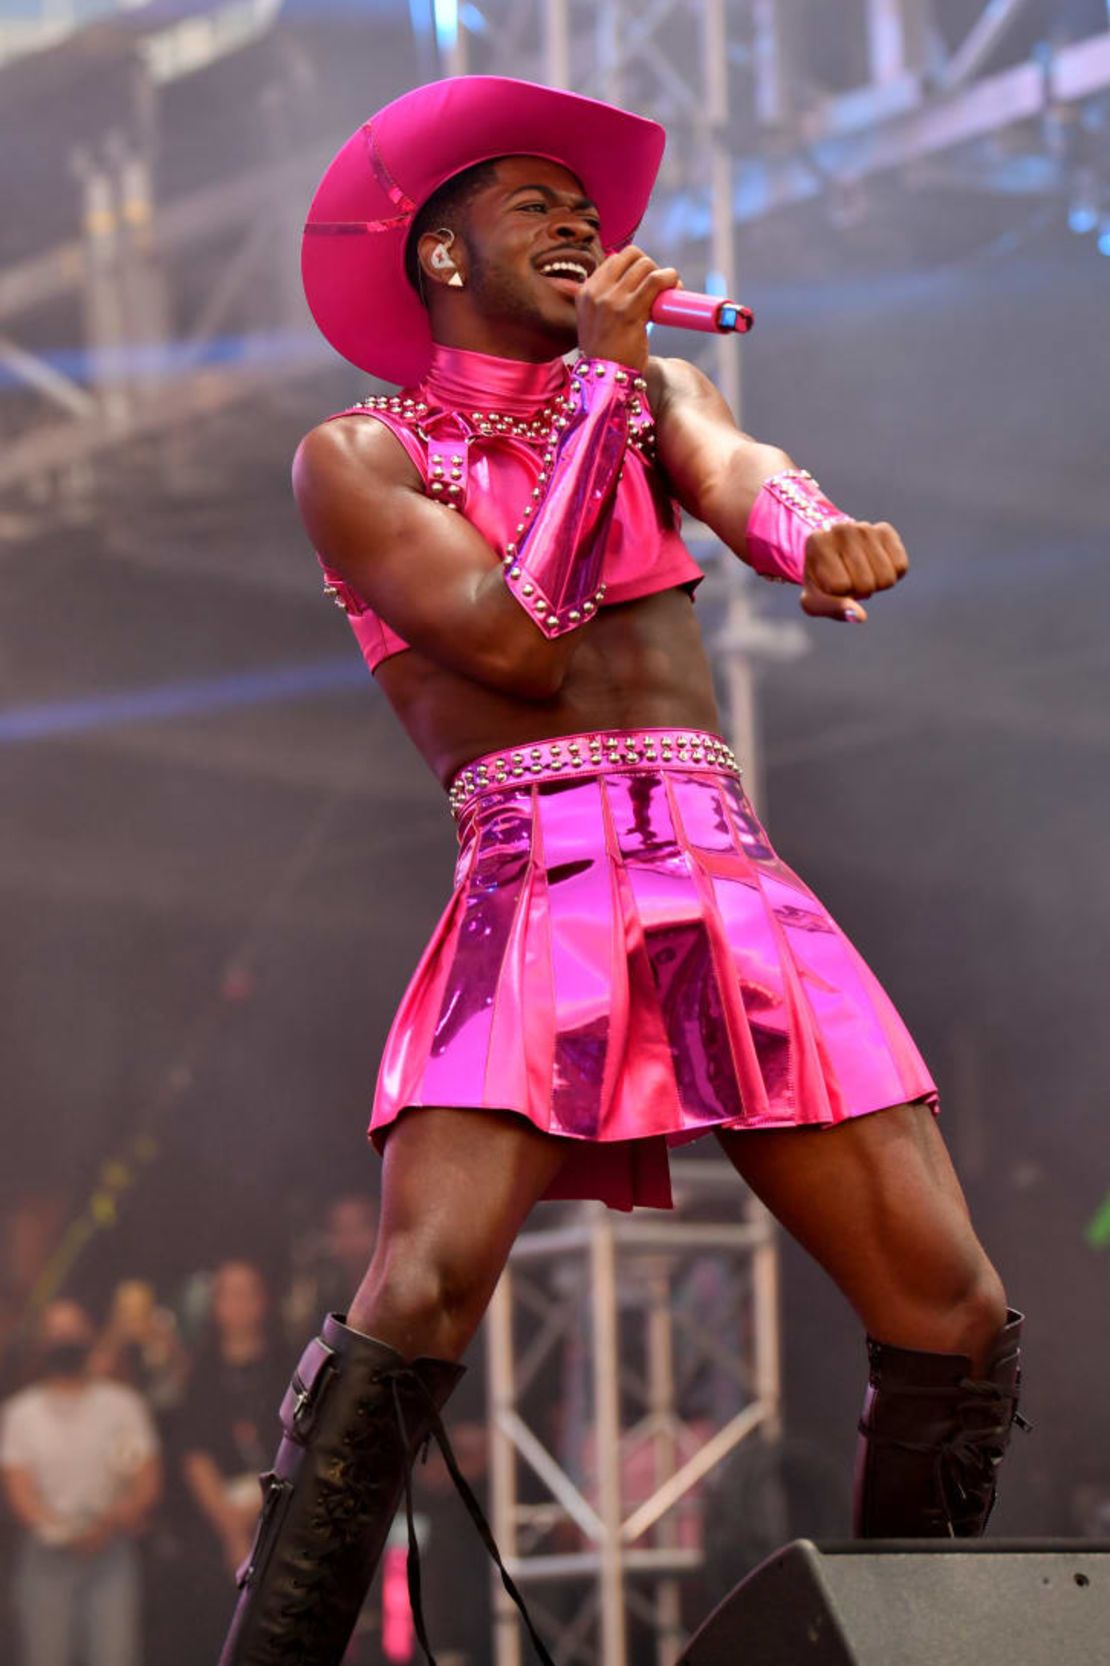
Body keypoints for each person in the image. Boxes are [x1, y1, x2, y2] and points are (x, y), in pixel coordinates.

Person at [218, 76, 1024, 1666]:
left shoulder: (652, 403)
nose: (581, 223)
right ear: (441, 256)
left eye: (587, 208)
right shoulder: (358, 456)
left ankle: (912, 1648)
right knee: (426, 1280)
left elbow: (738, 465)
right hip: (539, 869)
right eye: (536, 204)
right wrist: (602, 388)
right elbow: (517, 643)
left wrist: (812, 534)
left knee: (952, 1303)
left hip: (721, 859)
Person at [0, 1299, 161, 1666]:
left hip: (112, 1551)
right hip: (46, 1558)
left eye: (73, 1331)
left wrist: (111, 1520)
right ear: (41, 1342)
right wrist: (66, 1529)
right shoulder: (20, 1414)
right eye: (56, 1332)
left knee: (116, 1656)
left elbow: (146, 1481)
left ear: (89, 1337)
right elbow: (20, 1493)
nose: (65, 1340)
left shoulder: (123, 1406)